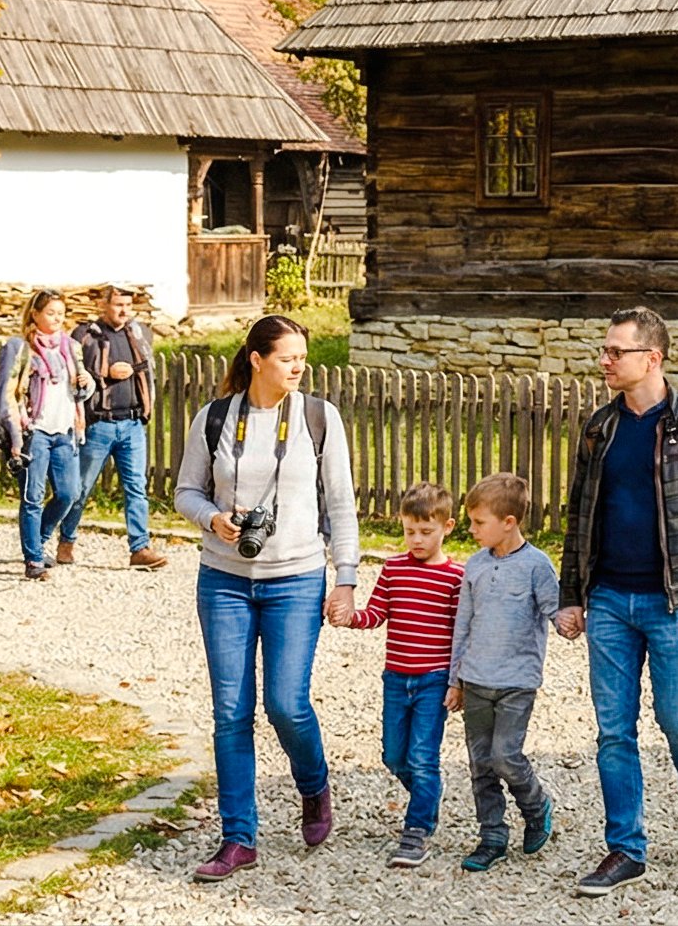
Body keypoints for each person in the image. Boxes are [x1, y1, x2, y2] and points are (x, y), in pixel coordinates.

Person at [556, 308, 678, 899]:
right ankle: (626, 849)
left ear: (652, 358)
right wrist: (572, 596)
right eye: (605, 350)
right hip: (609, 599)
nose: (605, 360)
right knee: (613, 731)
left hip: (675, 602)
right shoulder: (599, 428)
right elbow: (579, 516)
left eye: (617, 351)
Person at [174, 313, 360, 883]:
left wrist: (346, 577)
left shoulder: (317, 418)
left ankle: (313, 784)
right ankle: (238, 838)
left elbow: (342, 505)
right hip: (224, 579)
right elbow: (185, 491)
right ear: (256, 360)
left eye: (303, 357)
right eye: (288, 357)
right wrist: (213, 518)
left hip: (297, 577)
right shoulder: (213, 418)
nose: (299, 366)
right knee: (231, 713)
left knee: (286, 703)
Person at [342, 481, 464, 869]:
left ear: (448, 527)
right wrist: (350, 619)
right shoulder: (393, 569)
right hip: (396, 677)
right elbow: (376, 613)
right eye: (410, 531)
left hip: (433, 680)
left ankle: (417, 829)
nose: (416, 539)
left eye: (425, 532)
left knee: (423, 757)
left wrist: (457, 682)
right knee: (394, 755)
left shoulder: (455, 578)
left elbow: (462, 634)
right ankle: (427, 797)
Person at [447, 472, 559, 873]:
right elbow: (464, 624)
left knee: (505, 755)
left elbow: (555, 611)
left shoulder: (536, 566)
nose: (471, 529)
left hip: (516, 683)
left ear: (508, 522)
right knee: (480, 762)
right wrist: (455, 680)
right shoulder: (474, 567)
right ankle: (492, 835)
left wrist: (574, 620)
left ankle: (535, 805)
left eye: (479, 522)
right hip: (476, 680)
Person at [56, 285, 167, 570]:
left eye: (128, 305)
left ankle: (139, 548)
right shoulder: (85, 335)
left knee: (136, 488)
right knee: (80, 488)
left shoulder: (139, 333)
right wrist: (104, 373)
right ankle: (66, 540)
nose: (124, 310)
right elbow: (71, 373)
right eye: (118, 305)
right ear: (104, 305)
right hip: (99, 425)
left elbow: (148, 369)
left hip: (132, 423)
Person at [0, 290, 93, 580]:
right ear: (35, 314)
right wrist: (15, 438)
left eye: (61, 312)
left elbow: (80, 393)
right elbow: (6, 397)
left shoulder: (71, 347)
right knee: (32, 496)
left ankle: (39, 537)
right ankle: (34, 560)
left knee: (69, 493)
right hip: (33, 432)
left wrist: (86, 385)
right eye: (51, 312)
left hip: (65, 431)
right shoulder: (21, 348)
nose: (57, 318)